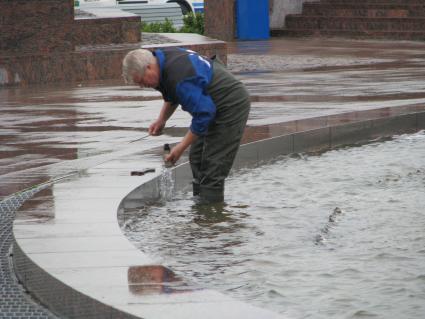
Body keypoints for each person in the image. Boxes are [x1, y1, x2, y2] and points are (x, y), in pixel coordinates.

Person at [122, 48, 250, 203]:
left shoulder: (177, 75)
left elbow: (204, 114)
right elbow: (172, 93)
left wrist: (180, 147)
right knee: (197, 157)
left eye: (141, 81)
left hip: (230, 104)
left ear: (148, 67)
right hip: (211, 103)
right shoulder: (161, 59)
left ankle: (212, 219)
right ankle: (200, 204)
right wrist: (162, 120)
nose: (143, 86)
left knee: (213, 167)